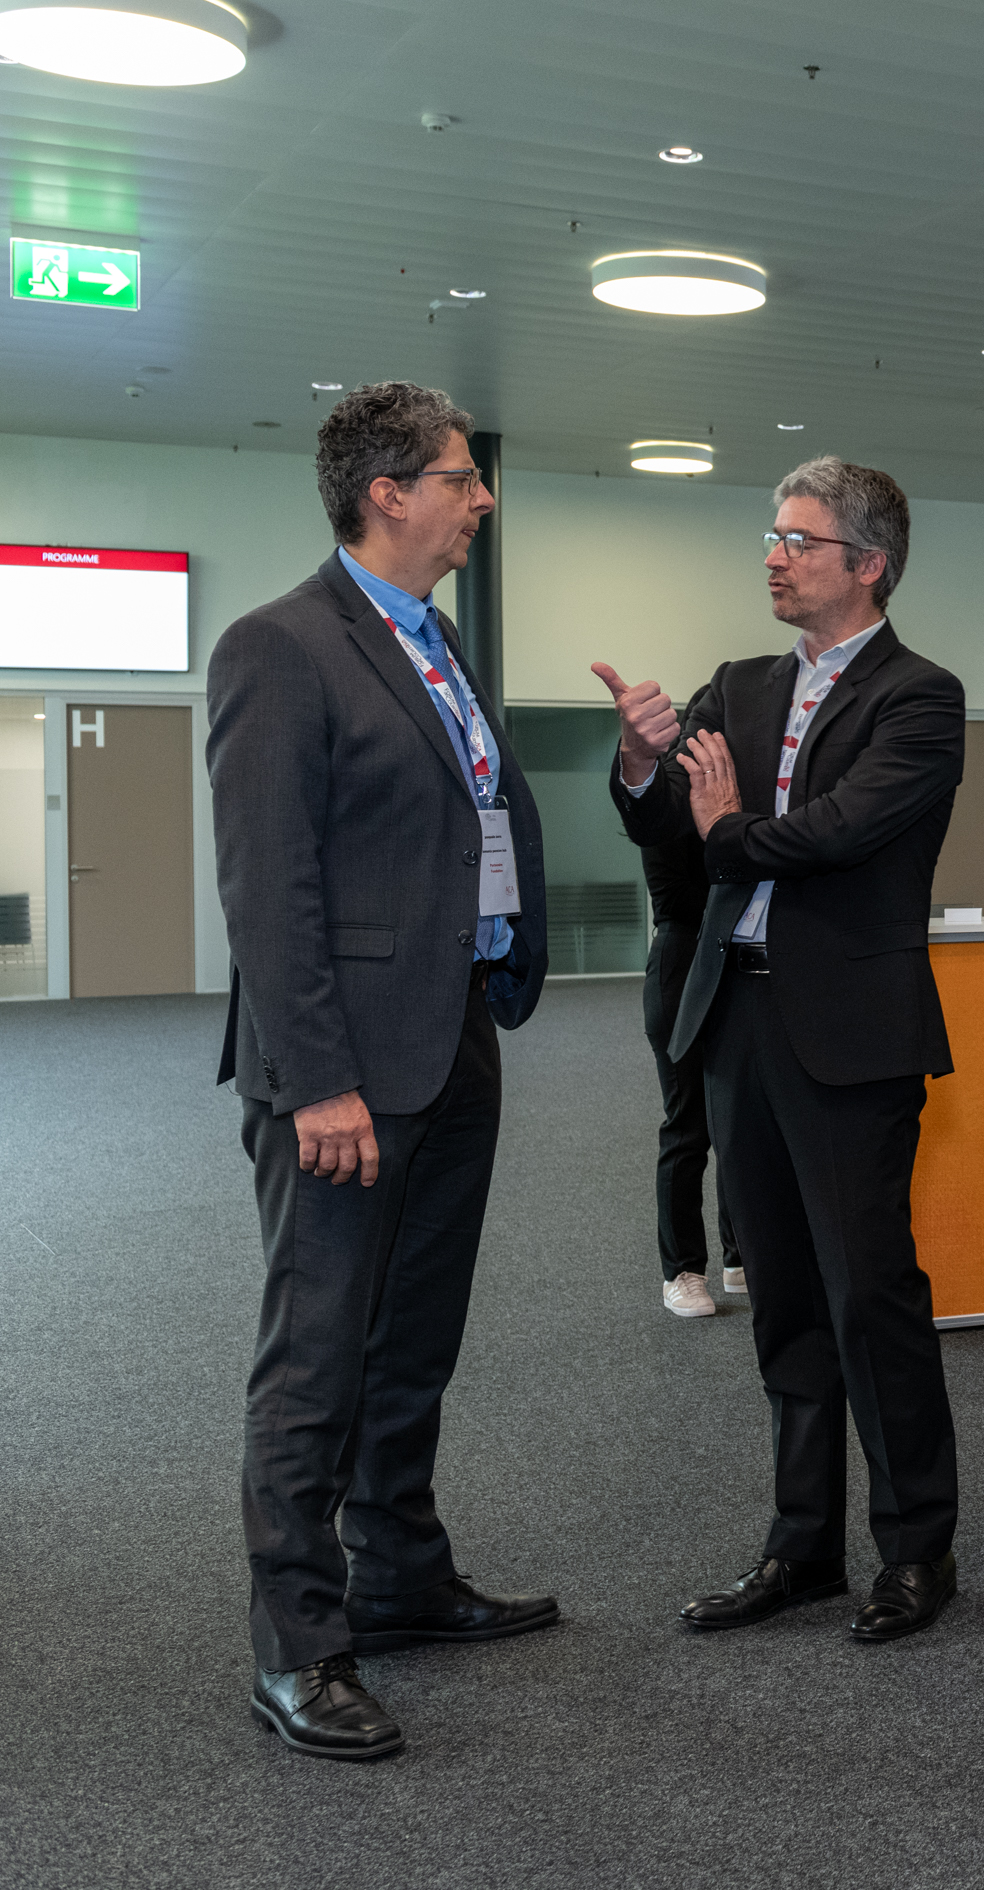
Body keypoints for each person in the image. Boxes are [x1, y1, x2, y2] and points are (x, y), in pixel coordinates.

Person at [208, 380, 559, 1762]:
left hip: (452, 1031)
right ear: (388, 493)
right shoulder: (280, 645)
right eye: (463, 478)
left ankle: (401, 1572)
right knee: (317, 1356)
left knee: (413, 1338)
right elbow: (269, 887)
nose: (481, 500)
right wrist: (316, 1080)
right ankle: (298, 1644)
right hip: (342, 1065)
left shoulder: (434, 642)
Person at [598, 455, 968, 1645]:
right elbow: (672, 834)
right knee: (782, 1302)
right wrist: (643, 762)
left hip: (850, 1034)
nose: (774, 556)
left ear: (868, 564)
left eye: (799, 540)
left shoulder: (921, 696)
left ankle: (915, 1550)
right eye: (772, 536)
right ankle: (801, 1546)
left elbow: (839, 834)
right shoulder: (740, 683)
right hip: (737, 1020)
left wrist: (727, 828)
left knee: (871, 1296)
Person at [642, 774, 745, 1318]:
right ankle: (681, 1271)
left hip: (735, 966)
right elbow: (685, 898)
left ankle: (740, 1255)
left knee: (739, 1120)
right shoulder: (663, 805)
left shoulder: (734, 796)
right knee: (688, 1124)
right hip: (681, 967)